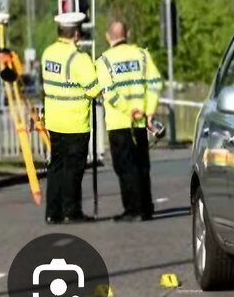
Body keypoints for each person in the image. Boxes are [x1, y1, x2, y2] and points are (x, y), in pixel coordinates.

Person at [96, 20, 164, 222]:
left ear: (108, 37)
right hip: (141, 122)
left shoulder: (104, 61)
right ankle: (146, 206)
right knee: (142, 164)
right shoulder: (142, 55)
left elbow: (109, 93)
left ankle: (133, 209)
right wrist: (148, 111)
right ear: (128, 34)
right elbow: (155, 83)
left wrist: (128, 110)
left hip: (120, 123)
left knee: (125, 167)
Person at [41, 12, 102, 223]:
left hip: (55, 120)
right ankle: (71, 211)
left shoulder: (48, 54)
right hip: (75, 122)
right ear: (76, 33)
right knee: (73, 169)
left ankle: (52, 212)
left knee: (56, 167)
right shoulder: (80, 59)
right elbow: (94, 90)